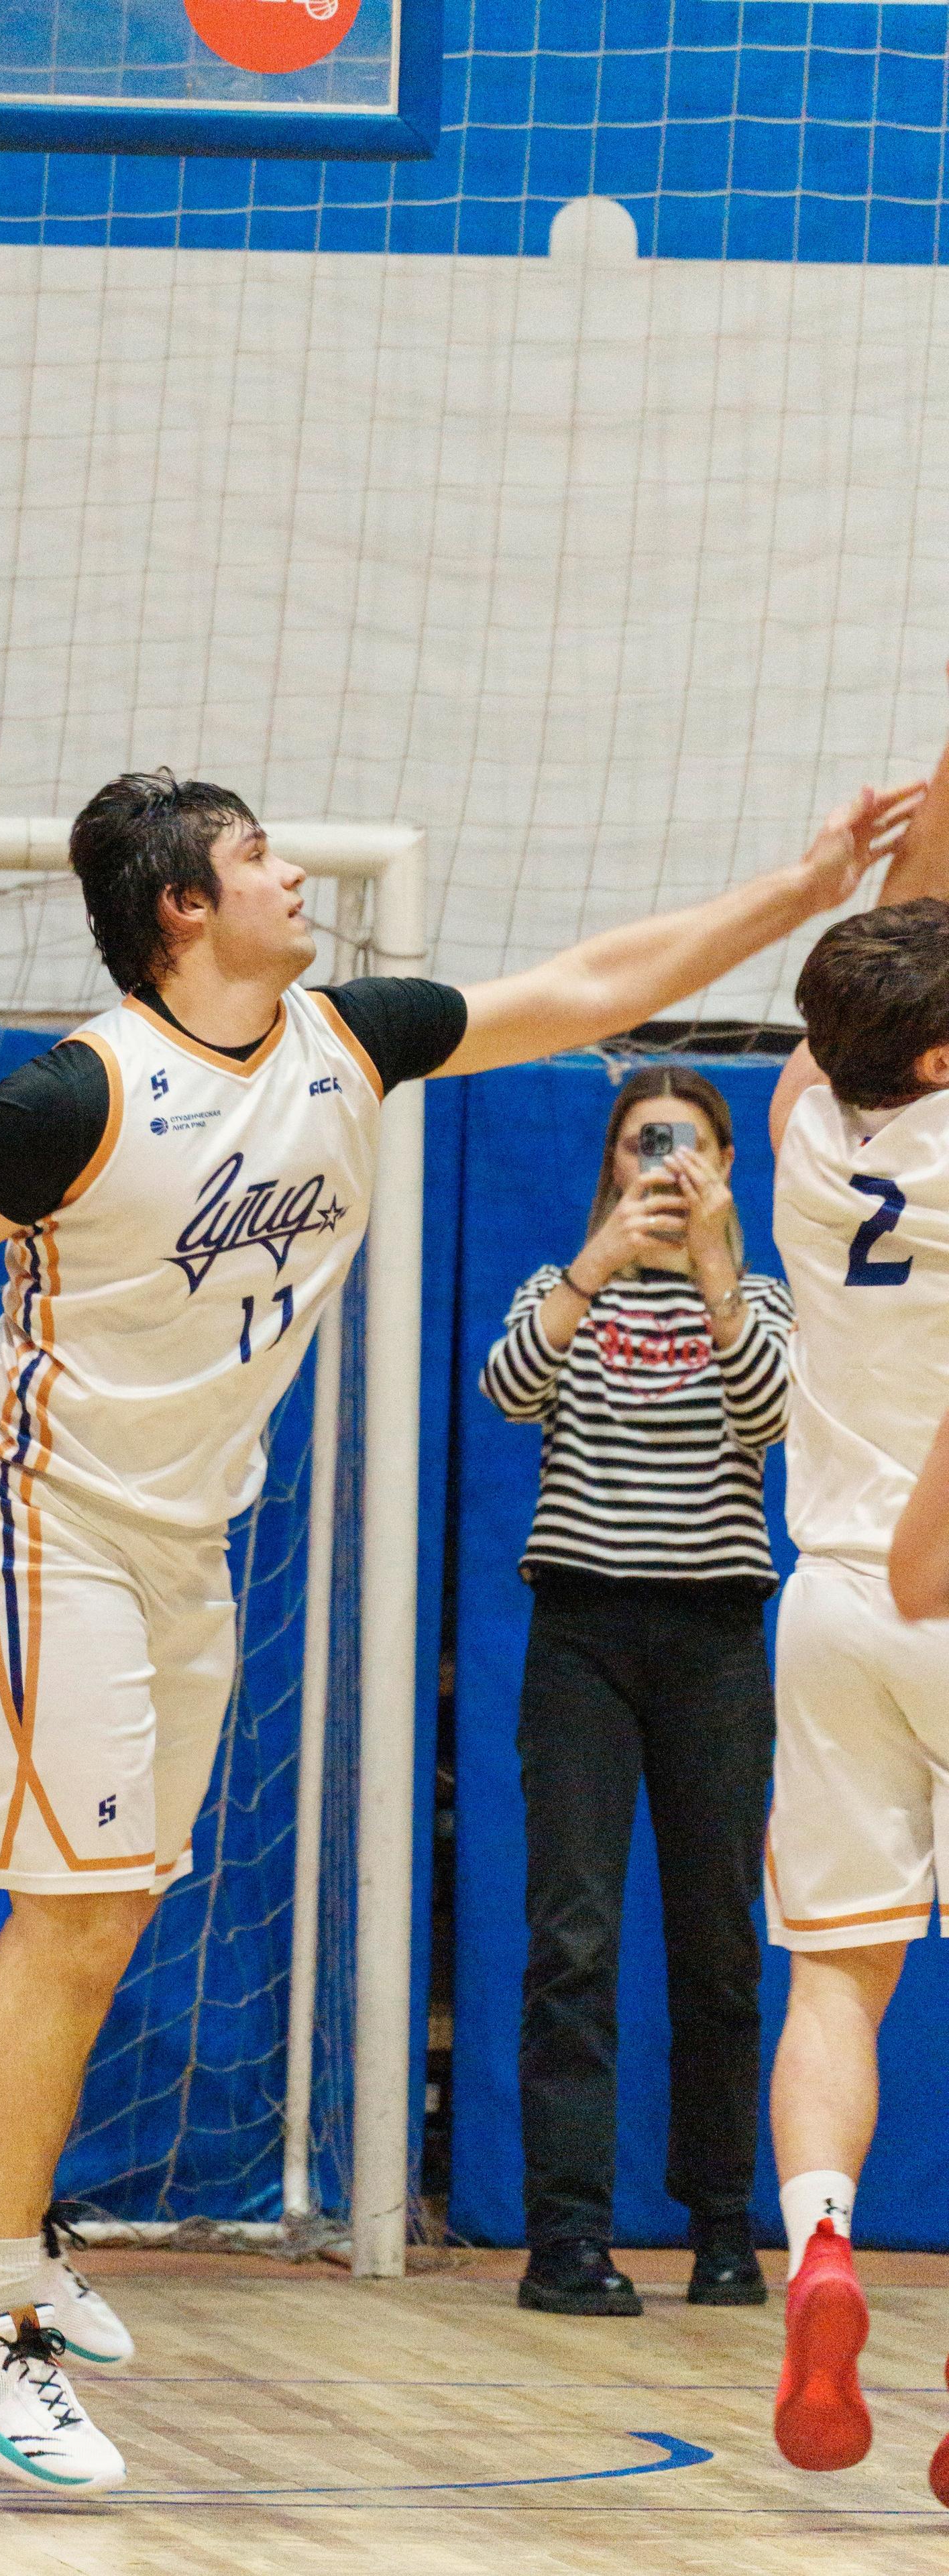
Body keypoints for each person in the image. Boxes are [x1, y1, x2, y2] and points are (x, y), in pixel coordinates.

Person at [0, 765, 918, 2496]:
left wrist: (802, 884)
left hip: (188, 1541)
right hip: (37, 1521)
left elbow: (595, 986)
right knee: (71, 1917)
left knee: (123, 1897)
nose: (294, 871)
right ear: (180, 907)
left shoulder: (346, 1039)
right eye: (254, 856)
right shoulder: (74, 1090)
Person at [481, 1066, 792, 2318]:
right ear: (609, 1162)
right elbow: (511, 1389)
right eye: (640, 1143)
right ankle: (566, 2239)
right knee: (574, 1942)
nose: (661, 1164)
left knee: (718, 1946)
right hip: (585, 1635)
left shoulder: (761, 1299)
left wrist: (716, 1266)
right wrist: (596, 1264)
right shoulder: (561, 1293)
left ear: (725, 1163)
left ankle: (723, 2224)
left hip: (715, 1637)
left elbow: (770, 1415)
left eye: (687, 1146)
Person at [761, 718, 949, 2496]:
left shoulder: (804, 1129)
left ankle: (818, 2241)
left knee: (837, 1979)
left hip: (826, 1600)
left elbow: (880, 975)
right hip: (947, 1576)